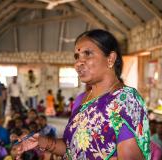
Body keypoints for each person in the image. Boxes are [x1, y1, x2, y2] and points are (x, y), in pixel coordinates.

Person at [16, 29, 150, 159]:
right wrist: (41, 141)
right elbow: (73, 149)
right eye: (77, 57)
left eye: (88, 54)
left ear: (110, 58)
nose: (78, 63)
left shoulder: (125, 100)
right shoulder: (81, 99)